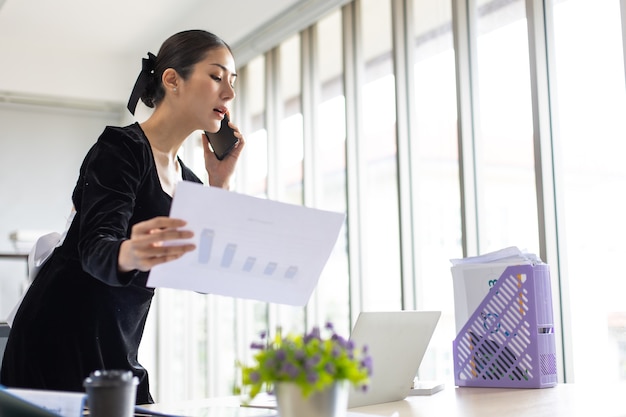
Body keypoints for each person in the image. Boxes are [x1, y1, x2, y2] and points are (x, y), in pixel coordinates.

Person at [0, 29, 244, 404]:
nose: (228, 93)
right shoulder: (121, 148)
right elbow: (95, 248)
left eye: (232, 82)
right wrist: (132, 251)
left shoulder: (190, 182)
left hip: (116, 342)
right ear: (172, 80)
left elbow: (205, 275)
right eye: (216, 77)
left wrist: (220, 183)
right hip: (59, 335)